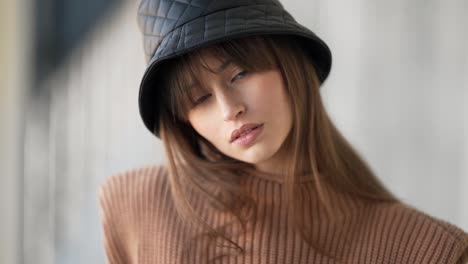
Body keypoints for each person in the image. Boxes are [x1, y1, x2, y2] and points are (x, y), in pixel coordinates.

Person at [98, 0, 468, 263]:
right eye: (199, 99)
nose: (230, 110)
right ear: (182, 121)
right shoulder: (137, 208)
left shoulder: (427, 249)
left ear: (289, 65)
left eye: (240, 74)